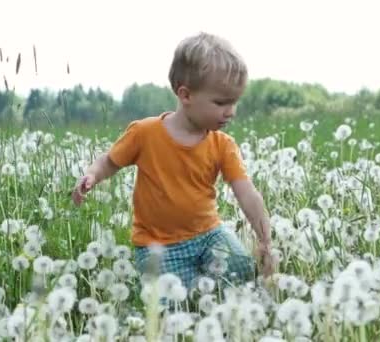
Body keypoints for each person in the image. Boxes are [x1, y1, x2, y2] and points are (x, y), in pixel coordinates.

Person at [71, 31, 274, 293]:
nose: (231, 111)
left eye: (234, 102)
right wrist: (92, 175)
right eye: (221, 102)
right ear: (185, 95)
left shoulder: (223, 145)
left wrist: (265, 239)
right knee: (172, 303)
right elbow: (109, 161)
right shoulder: (144, 133)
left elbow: (246, 193)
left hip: (209, 234)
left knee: (242, 269)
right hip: (157, 246)